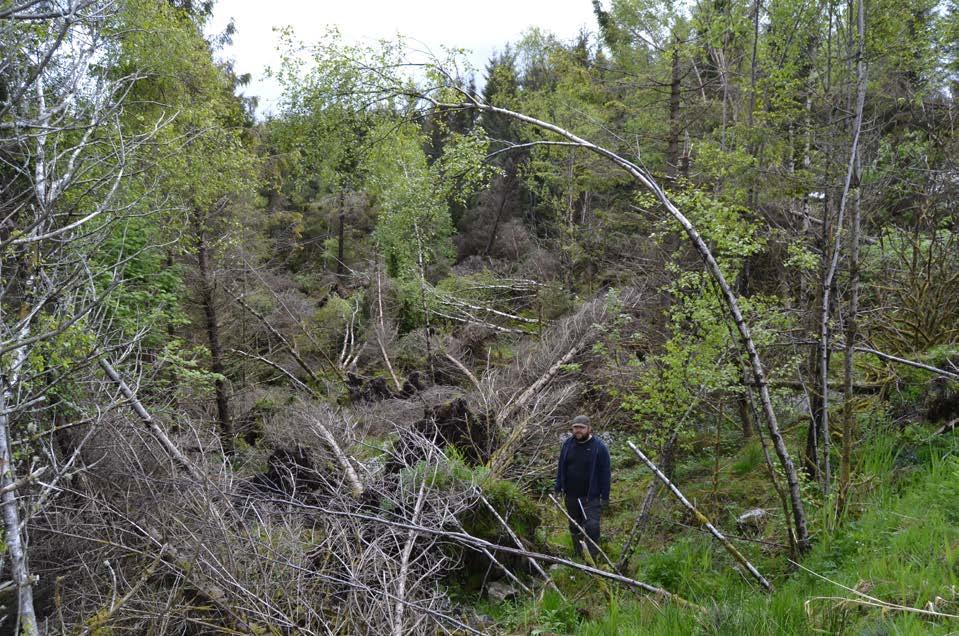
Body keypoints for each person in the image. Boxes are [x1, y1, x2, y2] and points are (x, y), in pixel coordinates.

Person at [554, 415, 610, 558]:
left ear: (589, 428)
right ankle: (579, 556)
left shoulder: (599, 448)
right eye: (575, 427)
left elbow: (605, 473)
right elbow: (561, 467)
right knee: (574, 526)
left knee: (592, 527)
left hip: (591, 496)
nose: (578, 430)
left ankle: (592, 559)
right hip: (571, 495)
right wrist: (558, 488)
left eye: (581, 427)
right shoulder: (567, 444)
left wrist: (605, 496)